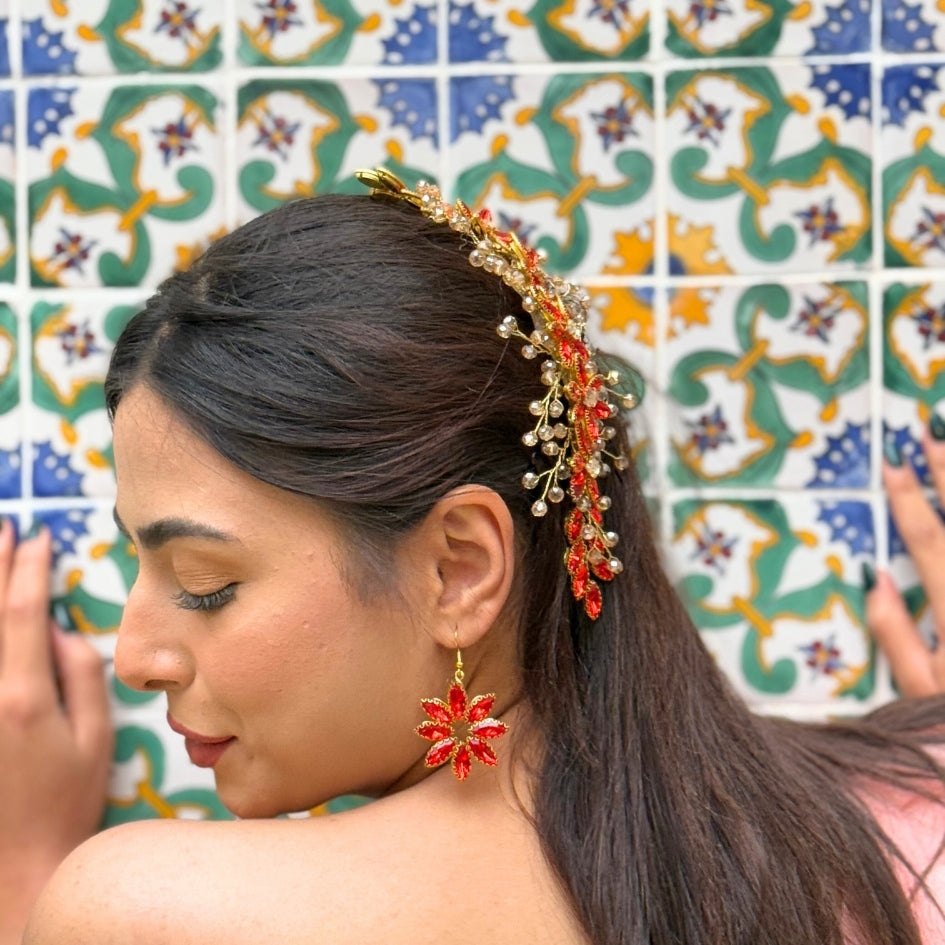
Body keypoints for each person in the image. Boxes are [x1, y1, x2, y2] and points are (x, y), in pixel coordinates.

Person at [2, 168, 945, 945]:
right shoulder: (904, 832)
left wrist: (22, 872)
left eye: (206, 584)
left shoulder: (140, 914)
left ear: (461, 568)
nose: (134, 653)